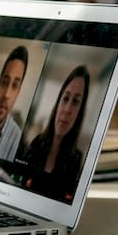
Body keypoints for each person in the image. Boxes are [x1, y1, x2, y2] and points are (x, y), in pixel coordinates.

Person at [19, 65, 90, 201]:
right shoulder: (37, 143)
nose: (67, 109)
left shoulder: (76, 159)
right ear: (58, 103)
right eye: (65, 98)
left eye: (75, 102)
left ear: (79, 113)